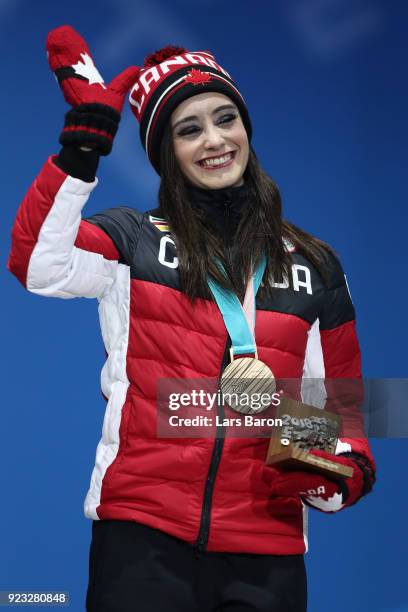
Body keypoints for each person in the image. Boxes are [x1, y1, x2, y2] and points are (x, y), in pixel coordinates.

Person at [8, 25, 376, 612]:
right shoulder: (134, 239)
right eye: (188, 129)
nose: (214, 140)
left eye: (225, 118)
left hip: (267, 553)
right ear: (164, 153)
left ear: (246, 130)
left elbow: (342, 412)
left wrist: (324, 465)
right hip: (142, 541)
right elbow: (37, 264)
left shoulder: (315, 267)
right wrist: (80, 154)